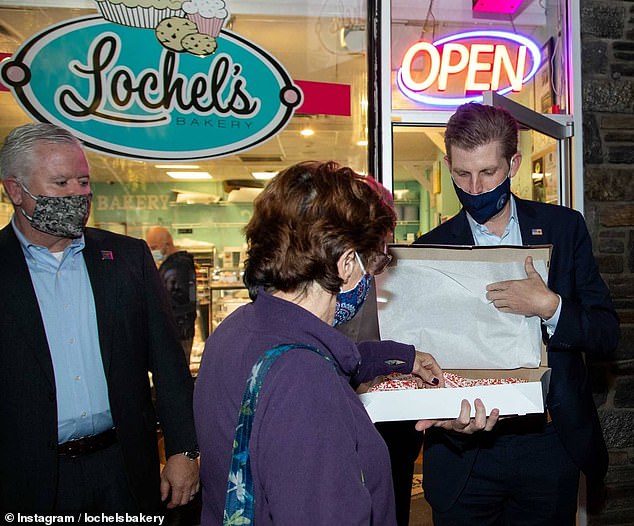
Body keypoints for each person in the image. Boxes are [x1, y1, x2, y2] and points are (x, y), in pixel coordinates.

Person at [193, 160, 499, 525]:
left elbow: (331, 355)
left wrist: (404, 358)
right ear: (347, 263)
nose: (372, 276)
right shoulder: (305, 381)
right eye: (372, 262)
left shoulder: (236, 330)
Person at [415, 103, 620, 525]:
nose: (474, 187)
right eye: (462, 174)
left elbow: (606, 333)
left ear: (514, 163)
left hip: (547, 444)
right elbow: (421, 361)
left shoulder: (564, 228)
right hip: (463, 453)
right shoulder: (427, 251)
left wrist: (550, 307)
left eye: (488, 173)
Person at [0, 122, 199, 513]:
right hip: (26, 479)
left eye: (83, 181)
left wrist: (183, 449)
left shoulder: (127, 259)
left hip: (123, 470)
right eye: (61, 183)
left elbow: (168, 363)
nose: (78, 193)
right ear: (15, 191)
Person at [146, 226, 198, 364]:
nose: (152, 251)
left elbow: (170, 302)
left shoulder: (175, 268)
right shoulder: (177, 264)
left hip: (176, 332)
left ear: (167, 244)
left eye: (154, 246)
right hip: (180, 330)